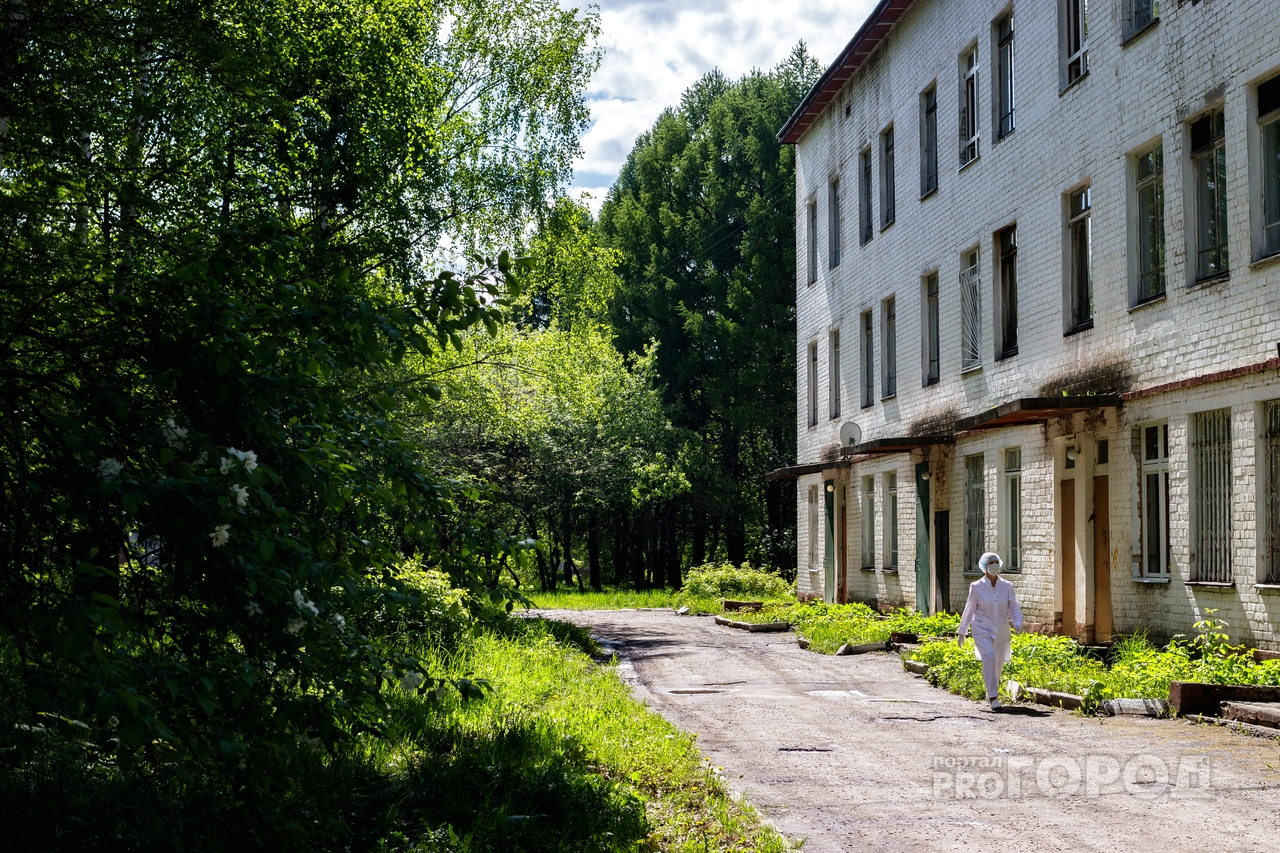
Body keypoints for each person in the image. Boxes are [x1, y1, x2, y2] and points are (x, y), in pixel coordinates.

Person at [957, 551, 1023, 710]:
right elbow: (969, 609)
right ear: (984, 567)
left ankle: (990, 692)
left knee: (998, 663)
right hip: (982, 628)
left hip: (1001, 629)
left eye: (996, 562)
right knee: (989, 658)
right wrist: (962, 631)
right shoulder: (977, 587)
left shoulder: (1007, 586)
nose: (994, 565)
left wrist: (1018, 622)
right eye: (990, 563)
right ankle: (993, 696)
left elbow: (1013, 606)